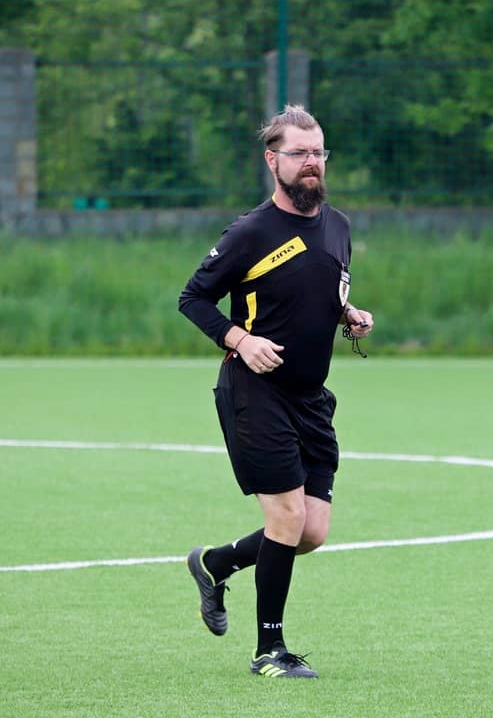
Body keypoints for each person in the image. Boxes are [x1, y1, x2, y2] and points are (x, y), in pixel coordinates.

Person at [178, 104, 374, 679]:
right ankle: (270, 650)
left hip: (311, 397)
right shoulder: (250, 233)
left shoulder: (338, 226)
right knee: (286, 518)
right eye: (299, 153)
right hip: (255, 391)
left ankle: (216, 564)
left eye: (318, 152)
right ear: (273, 160)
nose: (312, 162)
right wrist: (240, 339)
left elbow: (320, 289)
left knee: (310, 532)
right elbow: (192, 299)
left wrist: (348, 314)